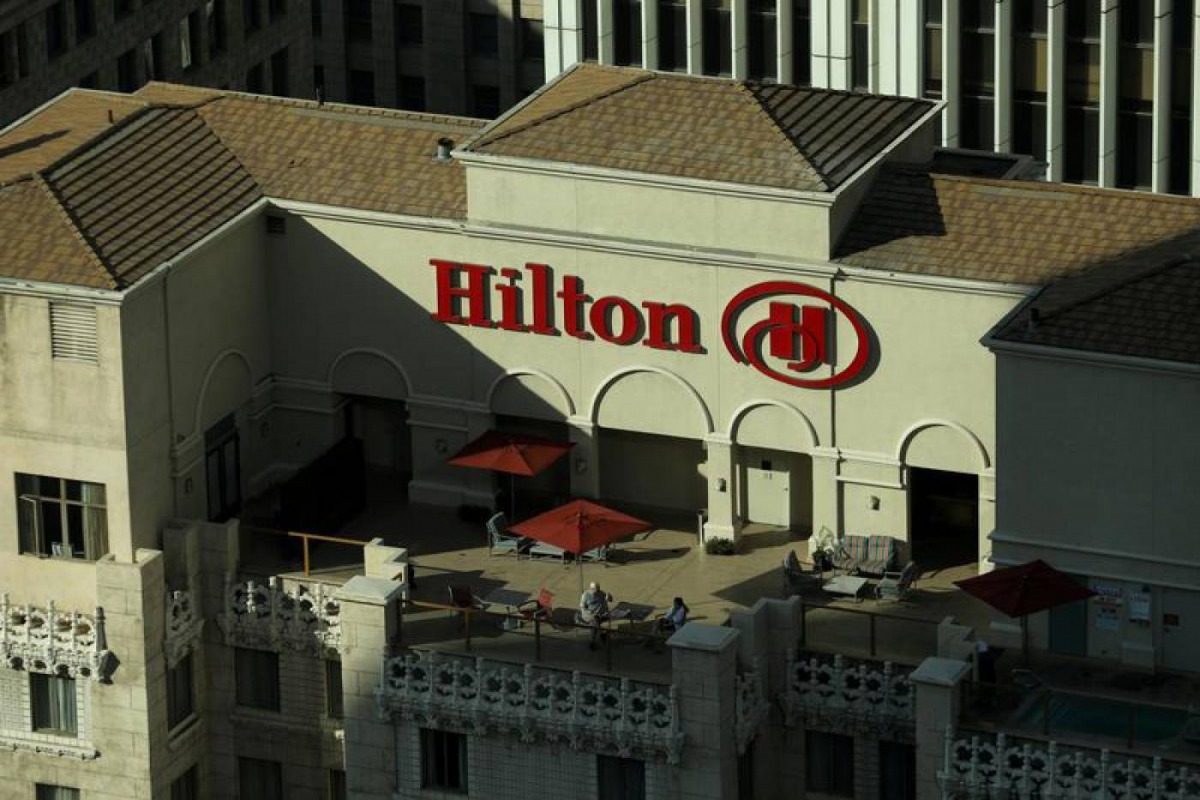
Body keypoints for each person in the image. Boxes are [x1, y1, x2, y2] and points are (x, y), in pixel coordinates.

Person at [579, 581, 612, 649]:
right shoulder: (585, 595)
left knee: (594, 624)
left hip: (601, 614)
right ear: (591, 589)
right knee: (594, 622)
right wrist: (591, 613)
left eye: (598, 589)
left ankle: (593, 642)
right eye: (595, 590)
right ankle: (601, 635)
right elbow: (582, 607)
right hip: (589, 615)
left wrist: (609, 597)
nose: (597, 592)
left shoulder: (601, 593)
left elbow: (610, 600)